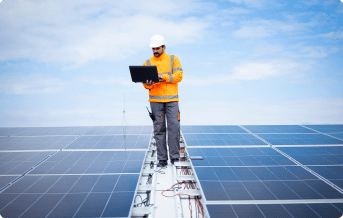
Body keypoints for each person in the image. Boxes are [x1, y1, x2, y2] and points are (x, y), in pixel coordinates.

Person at [143, 35, 183, 167]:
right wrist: (149, 83)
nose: (155, 50)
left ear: (164, 47)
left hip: (172, 100)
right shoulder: (147, 63)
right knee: (158, 129)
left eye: (157, 48)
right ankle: (162, 159)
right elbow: (145, 85)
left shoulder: (173, 59)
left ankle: (175, 158)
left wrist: (164, 77)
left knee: (174, 128)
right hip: (155, 101)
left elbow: (179, 76)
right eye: (153, 48)